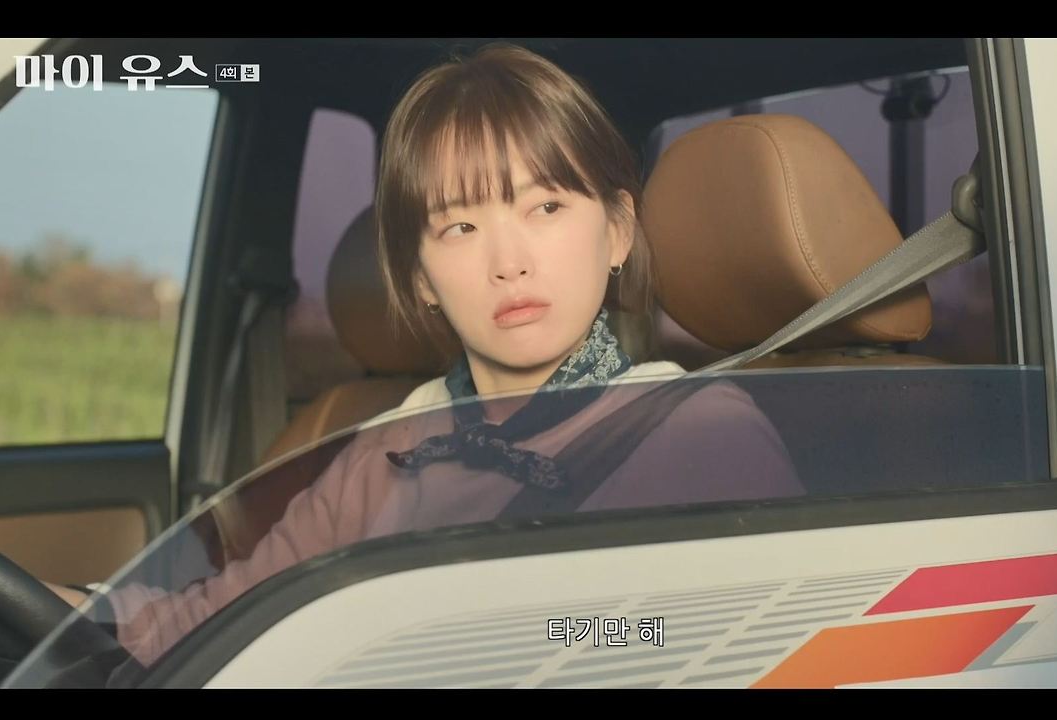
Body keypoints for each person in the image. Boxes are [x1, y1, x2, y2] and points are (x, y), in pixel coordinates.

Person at [47, 42, 804, 670]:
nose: (508, 262)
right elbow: (224, 617)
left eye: (545, 206)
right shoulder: (394, 444)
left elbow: (715, 635)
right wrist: (58, 610)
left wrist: (486, 628)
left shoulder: (698, 430)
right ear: (419, 278)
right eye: (460, 228)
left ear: (616, 232)